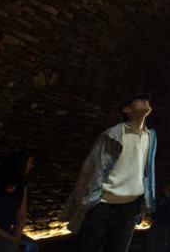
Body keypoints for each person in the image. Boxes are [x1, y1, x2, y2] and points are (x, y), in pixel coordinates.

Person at [63, 93, 158, 252]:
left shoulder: (151, 137)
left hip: (130, 205)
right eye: (139, 100)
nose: (145, 101)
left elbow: (147, 171)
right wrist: (90, 200)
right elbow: (94, 167)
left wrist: (144, 201)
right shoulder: (114, 134)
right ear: (127, 109)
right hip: (103, 203)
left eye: (146, 99)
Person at [145, 183, 170, 252]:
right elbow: (153, 213)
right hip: (158, 227)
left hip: (168, 228)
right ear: (164, 190)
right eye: (169, 189)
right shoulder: (159, 200)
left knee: (165, 246)